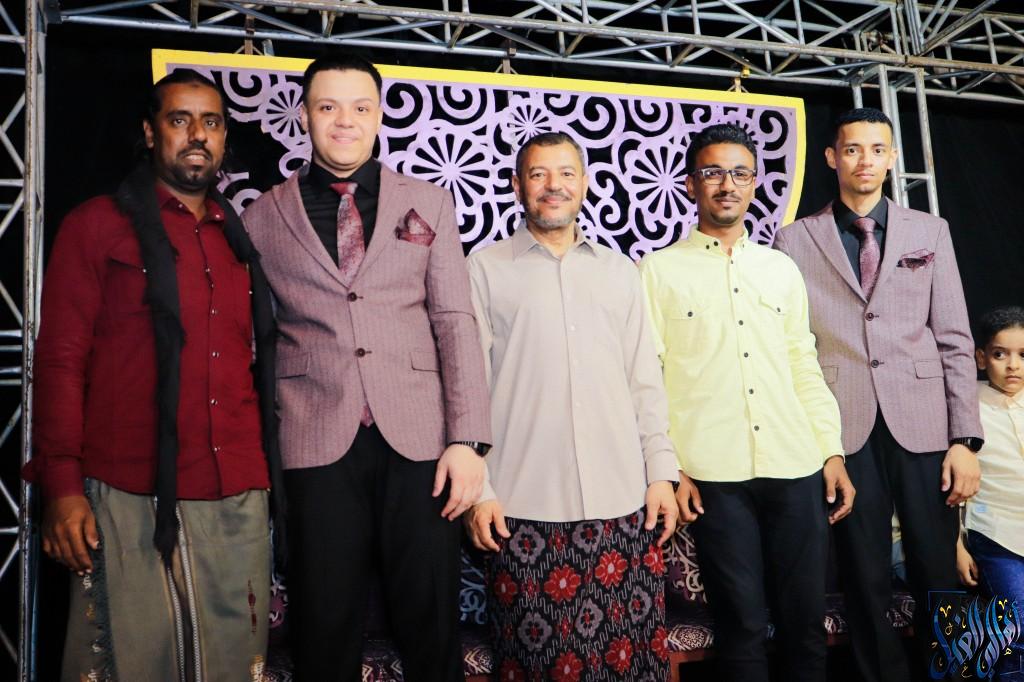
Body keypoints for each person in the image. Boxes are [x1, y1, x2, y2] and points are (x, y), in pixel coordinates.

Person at [241, 53, 492, 681]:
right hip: (313, 438)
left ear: (379, 116)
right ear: (305, 116)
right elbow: (256, 340)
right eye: (328, 107)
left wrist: (467, 441)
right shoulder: (262, 216)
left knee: (431, 625)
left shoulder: (429, 202)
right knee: (324, 628)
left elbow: (454, 321)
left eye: (359, 107)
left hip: (421, 443)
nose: (344, 121)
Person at [25, 69, 282, 681]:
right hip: (128, 488)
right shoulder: (96, 226)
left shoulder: (238, 239)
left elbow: (251, 365)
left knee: (233, 666)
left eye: (211, 122)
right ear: (149, 132)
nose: (197, 135)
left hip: (234, 488)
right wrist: (62, 487)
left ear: (225, 138)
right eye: (179, 120)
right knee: (131, 662)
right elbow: (60, 359)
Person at [773, 107, 983, 682]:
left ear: (891, 158)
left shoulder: (929, 230)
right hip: (843, 425)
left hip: (925, 423)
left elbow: (955, 337)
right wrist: (816, 442)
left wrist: (965, 438)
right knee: (863, 576)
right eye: (852, 149)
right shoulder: (794, 239)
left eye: (876, 149)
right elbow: (791, 343)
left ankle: (957, 674)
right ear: (831, 158)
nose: (864, 160)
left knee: (938, 569)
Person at [640, 123, 853, 682]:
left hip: (796, 463)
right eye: (713, 172)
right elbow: (647, 378)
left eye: (739, 173)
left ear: (755, 184)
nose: (727, 184)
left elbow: (803, 362)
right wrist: (670, 465)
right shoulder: (658, 271)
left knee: (805, 626)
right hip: (713, 475)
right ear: (691, 184)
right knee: (741, 628)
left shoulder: (780, 268)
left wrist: (830, 451)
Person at [464, 131, 681, 680]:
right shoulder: (483, 270)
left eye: (565, 173)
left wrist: (662, 474)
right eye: (538, 174)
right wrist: (480, 491)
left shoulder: (619, 271)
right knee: (538, 667)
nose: (553, 185)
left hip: (624, 506)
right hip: (521, 510)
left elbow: (645, 382)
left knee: (629, 666)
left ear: (584, 184)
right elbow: (468, 391)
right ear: (517, 186)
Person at [956, 305, 1024, 680]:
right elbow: (949, 486)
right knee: (1017, 625)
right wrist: (956, 544)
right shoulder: (966, 405)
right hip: (996, 535)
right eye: (1000, 354)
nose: (1013, 365)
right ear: (981, 358)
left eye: (1023, 355)